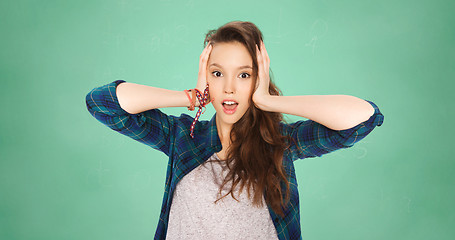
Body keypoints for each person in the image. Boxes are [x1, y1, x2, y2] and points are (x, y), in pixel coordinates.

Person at [85, 21, 384, 240]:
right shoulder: (181, 138)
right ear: (206, 78)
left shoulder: (280, 143)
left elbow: (363, 118)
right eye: (217, 73)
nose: (229, 87)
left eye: (244, 74)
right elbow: (102, 103)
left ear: (257, 79)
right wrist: (190, 96)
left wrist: (268, 100)